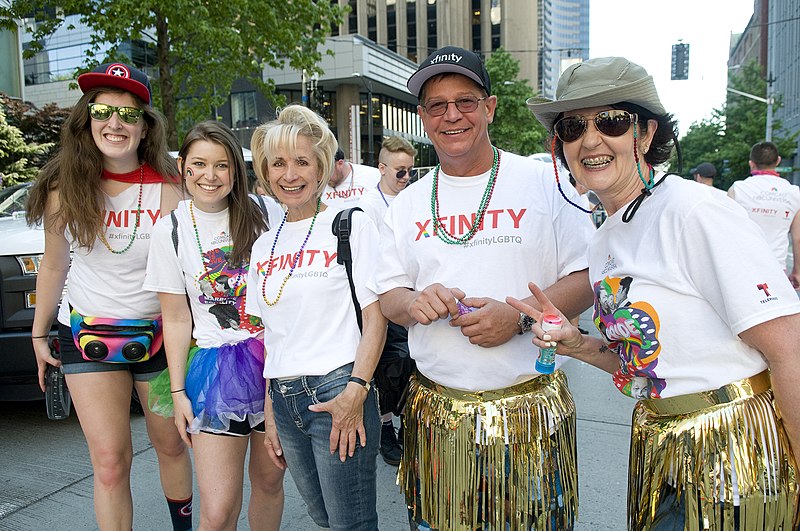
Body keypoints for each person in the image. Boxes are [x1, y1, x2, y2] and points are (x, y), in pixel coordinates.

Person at [523, 56, 800, 530]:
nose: (590, 139)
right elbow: (645, 371)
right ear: (560, 146)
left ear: (646, 135)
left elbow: (789, 349)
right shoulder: (606, 235)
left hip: (736, 454)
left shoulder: (694, 211)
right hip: (661, 451)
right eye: (572, 126)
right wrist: (579, 344)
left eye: (611, 121)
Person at [372, 46, 595, 530]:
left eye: (466, 101)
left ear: (490, 107)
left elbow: (589, 278)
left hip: (529, 410)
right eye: (437, 105)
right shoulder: (405, 204)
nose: (452, 115)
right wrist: (414, 301)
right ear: (422, 118)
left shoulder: (546, 181)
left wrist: (518, 318)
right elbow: (389, 296)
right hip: (440, 415)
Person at [26, 62, 194, 530]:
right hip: (86, 334)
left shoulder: (170, 191)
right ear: (87, 120)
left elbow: (189, 275)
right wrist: (40, 334)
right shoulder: (65, 189)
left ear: (145, 127)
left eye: (128, 114)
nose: (115, 123)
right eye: (103, 111)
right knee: (110, 462)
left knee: (173, 445)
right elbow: (55, 265)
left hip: (161, 339)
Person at [246, 105, 386, 530]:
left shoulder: (349, 225)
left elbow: (375, 318)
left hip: (338, 386)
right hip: (286, 399)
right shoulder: (262, 245)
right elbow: (272, 334)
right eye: (278, 163)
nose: (290, 174)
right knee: (322, 518)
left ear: (321, 167)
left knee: (351, 523)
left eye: (302, 161)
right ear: (266, 173)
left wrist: (356, 392)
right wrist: (271, 412)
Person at [143, 121, 286, 530]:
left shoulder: (267, 213)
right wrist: (177, 392)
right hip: (215, 373)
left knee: (269, 482)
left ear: (235, 170)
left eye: (221, 165)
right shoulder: (169, 229)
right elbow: (175, 317)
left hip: (275, 364)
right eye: (200, 164)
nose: (210, 176)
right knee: (219, 509)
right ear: (183, 166)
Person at [358, 135, 418, 466]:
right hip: (382, 295)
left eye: (409, 171)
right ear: (381, 169)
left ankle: (409, 423)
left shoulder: (415, 201)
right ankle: (385, 429)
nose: (405, 177)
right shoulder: (366, 206)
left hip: (413, 293)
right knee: (387, 366)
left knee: (413, 363)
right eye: (399, 171)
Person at [728, 141, 800, 286]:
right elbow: (797, 237)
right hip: (777, 268)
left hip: (743, 265)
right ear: (778, 161)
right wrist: (797, 271)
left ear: (751, 163)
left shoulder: (737, 189)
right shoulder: (794, 193)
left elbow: (726, 231)